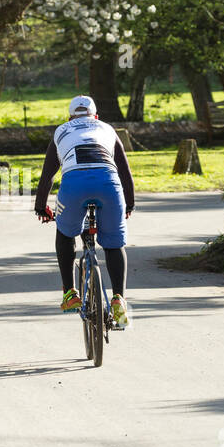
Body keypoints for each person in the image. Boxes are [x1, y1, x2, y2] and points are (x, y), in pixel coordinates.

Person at [33, 95, 135, 328]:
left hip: (74, 184)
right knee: (114, 244)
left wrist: (40, 207)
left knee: (65, 232)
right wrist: (129, 203)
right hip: (108, 183)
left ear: (70, 117)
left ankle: (70, 292)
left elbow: (47, 175)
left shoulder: (62, 131)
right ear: (95, 116)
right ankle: (119, 299)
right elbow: (125, 171)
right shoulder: (107, 129)